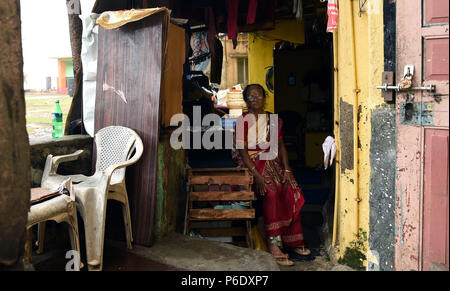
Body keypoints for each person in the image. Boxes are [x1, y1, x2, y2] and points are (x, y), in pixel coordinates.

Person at [233, 84, 312, 266]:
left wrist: (287, 170)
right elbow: (243, 152)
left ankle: (294, 241)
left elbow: (281, 146)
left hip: (273, 164)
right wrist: (257, 176)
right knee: (271, 192)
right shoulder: (242, 121)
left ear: (264, 97)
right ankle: (274, 245)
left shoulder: (273, 120)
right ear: (246, 101)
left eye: (258, 95)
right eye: (250, 97)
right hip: (251, 166)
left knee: (291, 189)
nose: (255, 99)